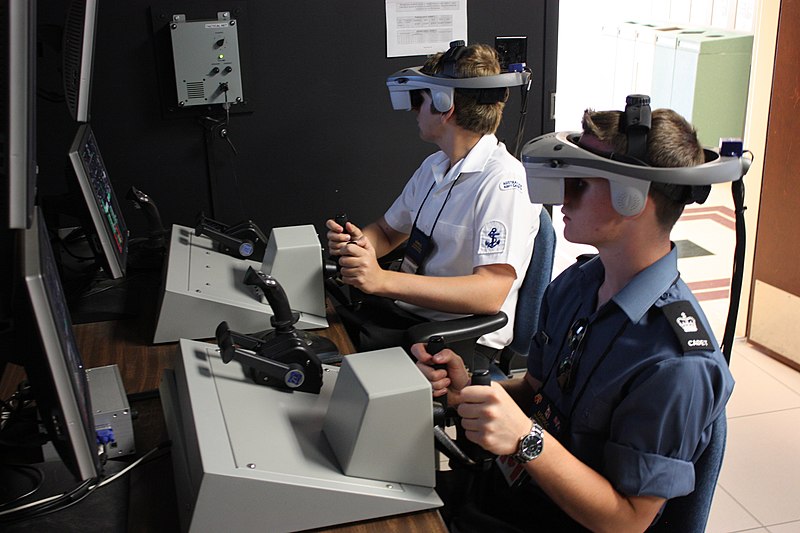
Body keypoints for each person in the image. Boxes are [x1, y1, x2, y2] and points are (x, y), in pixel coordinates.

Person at [414, 104, 736, 531]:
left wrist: (526, 439)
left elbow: (627, 522)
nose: (563, 196)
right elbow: (537, 391)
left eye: (580, 183)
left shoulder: (676, 365)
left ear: (632, 197)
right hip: (512, 494)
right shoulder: (579, 283)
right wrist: (471, 392)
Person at [327, 42, 539, 358]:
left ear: (444, 106)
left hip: (454, 341)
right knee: (322, 336)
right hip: (408, 316)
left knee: (334, 368)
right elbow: (386, 232)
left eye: (420, 98)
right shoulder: (435, 166)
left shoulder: (503, 184)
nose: (414, 109)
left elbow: (490, 293)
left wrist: (381, 280)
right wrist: (360, 248)